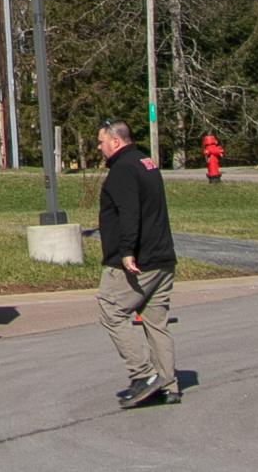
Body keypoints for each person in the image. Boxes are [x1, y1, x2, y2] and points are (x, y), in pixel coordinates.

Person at [96, 119, 179, 409]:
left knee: (111, 309)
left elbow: (130, 213)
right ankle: (168, 385)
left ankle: (143, 376)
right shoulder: (146, 162)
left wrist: (127, 251)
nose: (99, 147)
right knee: (156, 322)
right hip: (163, 258)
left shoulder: (123, 169)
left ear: (115, 141)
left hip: (138, 262)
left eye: (101, 141)